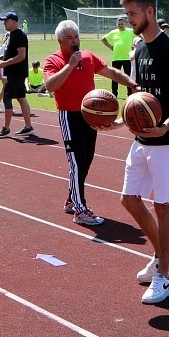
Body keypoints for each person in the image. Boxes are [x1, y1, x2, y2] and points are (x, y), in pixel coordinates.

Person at [118, 0, 169, 305]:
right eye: (127, 14)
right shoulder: (140, 50)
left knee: (163, 206)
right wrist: (119, 121)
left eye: (132, 14)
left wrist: (164, 126)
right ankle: (165, 254)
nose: (128, 19)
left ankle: (163, 275)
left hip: (167, 140)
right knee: (129, 200)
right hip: (142, 139)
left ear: (149, 12)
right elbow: (140, 100)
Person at [43, 20, 138, 227]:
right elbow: (50, 85)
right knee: (76, 162)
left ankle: (71, 199)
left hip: (91, 116)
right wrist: (69, 65)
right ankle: (80, 209)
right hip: (70, 116)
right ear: (60, 40)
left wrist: (131, 83)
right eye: (69, 38)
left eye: (76, 37)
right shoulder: (53, 60)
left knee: (85, 161)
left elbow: (111, 72)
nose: (74, 41)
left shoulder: (88, 56)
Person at [0, 11, 34, 138]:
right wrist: (1, 58)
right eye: (4, 21)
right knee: (21, 98)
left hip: (16, 73)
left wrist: (5, 63)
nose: (4, 23)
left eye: (7, 21)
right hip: (16, 72)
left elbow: (21, 56)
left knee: (7, 98)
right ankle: (28, 127)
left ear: (14, 22)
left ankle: (6, 129)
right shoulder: (12, 35)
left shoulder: (19, 35)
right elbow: (12, 53)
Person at [101, 16, 136, 97]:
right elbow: (103, 39)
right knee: (115, 77)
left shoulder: (130, 31)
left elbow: (140, 36)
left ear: (125, 24)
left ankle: (130, 94)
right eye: (119, 24)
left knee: (128, 77)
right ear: (117, 24)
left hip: (127, 58)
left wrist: (135, 47)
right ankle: (114, 94)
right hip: (116, 58)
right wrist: (110, 47)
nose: (120, 25)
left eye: (122, 24)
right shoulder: (113, 32)